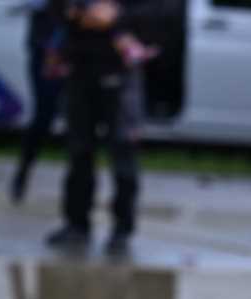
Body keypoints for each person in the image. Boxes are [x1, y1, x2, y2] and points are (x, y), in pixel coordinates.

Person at [44, 0, 166, 255]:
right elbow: (54, 9)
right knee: (79, 153)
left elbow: (159, 11)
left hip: (121, 75)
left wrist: (116, 17)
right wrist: (78, 12)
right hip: (81, 68)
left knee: (124, 155)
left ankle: (122, 230)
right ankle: (76, 224)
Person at [10, 0, 65, 204]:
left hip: (78, 48)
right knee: (44, 115)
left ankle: (78, 196)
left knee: (81, 122)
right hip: (47, 48)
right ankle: (22, 174)